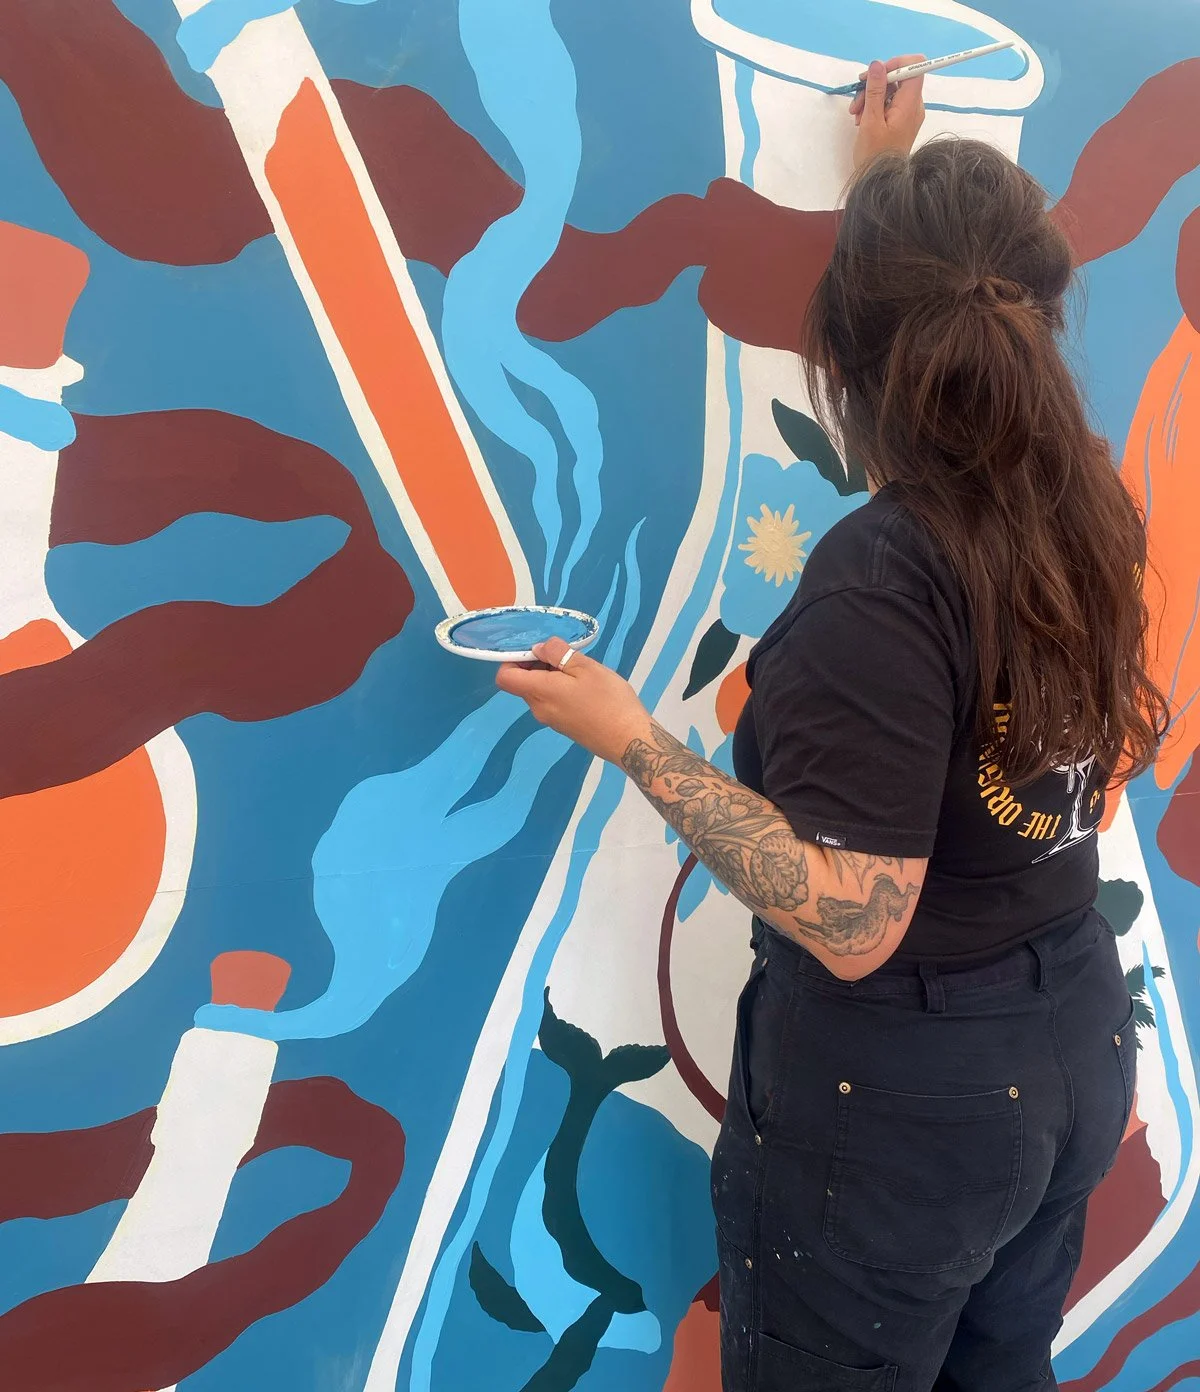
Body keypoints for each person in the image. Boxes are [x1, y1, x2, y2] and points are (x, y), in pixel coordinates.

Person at [496, 57, 1169, 1392]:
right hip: (1070, 1043)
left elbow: (857, 923)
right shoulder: (1084, 503)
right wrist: (883, 190)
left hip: (915, 1110)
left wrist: (631, 737)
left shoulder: (882, 582)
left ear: (852, 360)